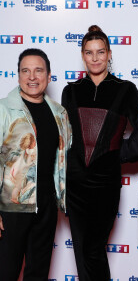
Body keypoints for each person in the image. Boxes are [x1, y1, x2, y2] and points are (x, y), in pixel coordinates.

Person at [61, 25, 138, 281]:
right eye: (89, 52)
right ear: (83, 56)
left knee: (94, 249)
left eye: (100, 52)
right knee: (82, 251)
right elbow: (65, 137)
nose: (95, 58)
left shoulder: (125, 89)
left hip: (105, 184)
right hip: (74, 184)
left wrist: (115, 155)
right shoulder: (70, 90)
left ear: (109, 54)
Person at [0, 48, 72, 281]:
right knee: (6, 272)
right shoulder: (3, 109)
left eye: (38, 70)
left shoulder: (59, 113)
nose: (32, 77)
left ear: (48, 76)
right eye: (25, 71)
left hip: (46, 206)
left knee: (38, 273)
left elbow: (65, 155)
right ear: (18, 75)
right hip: (11, 207)